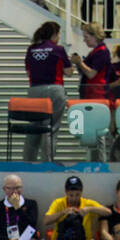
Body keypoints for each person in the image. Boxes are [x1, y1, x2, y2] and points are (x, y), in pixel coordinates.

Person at [22, 22, 70, 162]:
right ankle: (47, 163)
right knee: (50, 128)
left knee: (33, 129)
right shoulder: (58, 49)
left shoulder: (31, 49)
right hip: (54, 89)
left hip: (34, 90)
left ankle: (27, 162)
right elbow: (68, 72)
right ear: (54, 34)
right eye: (59, 34)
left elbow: (28, 71)